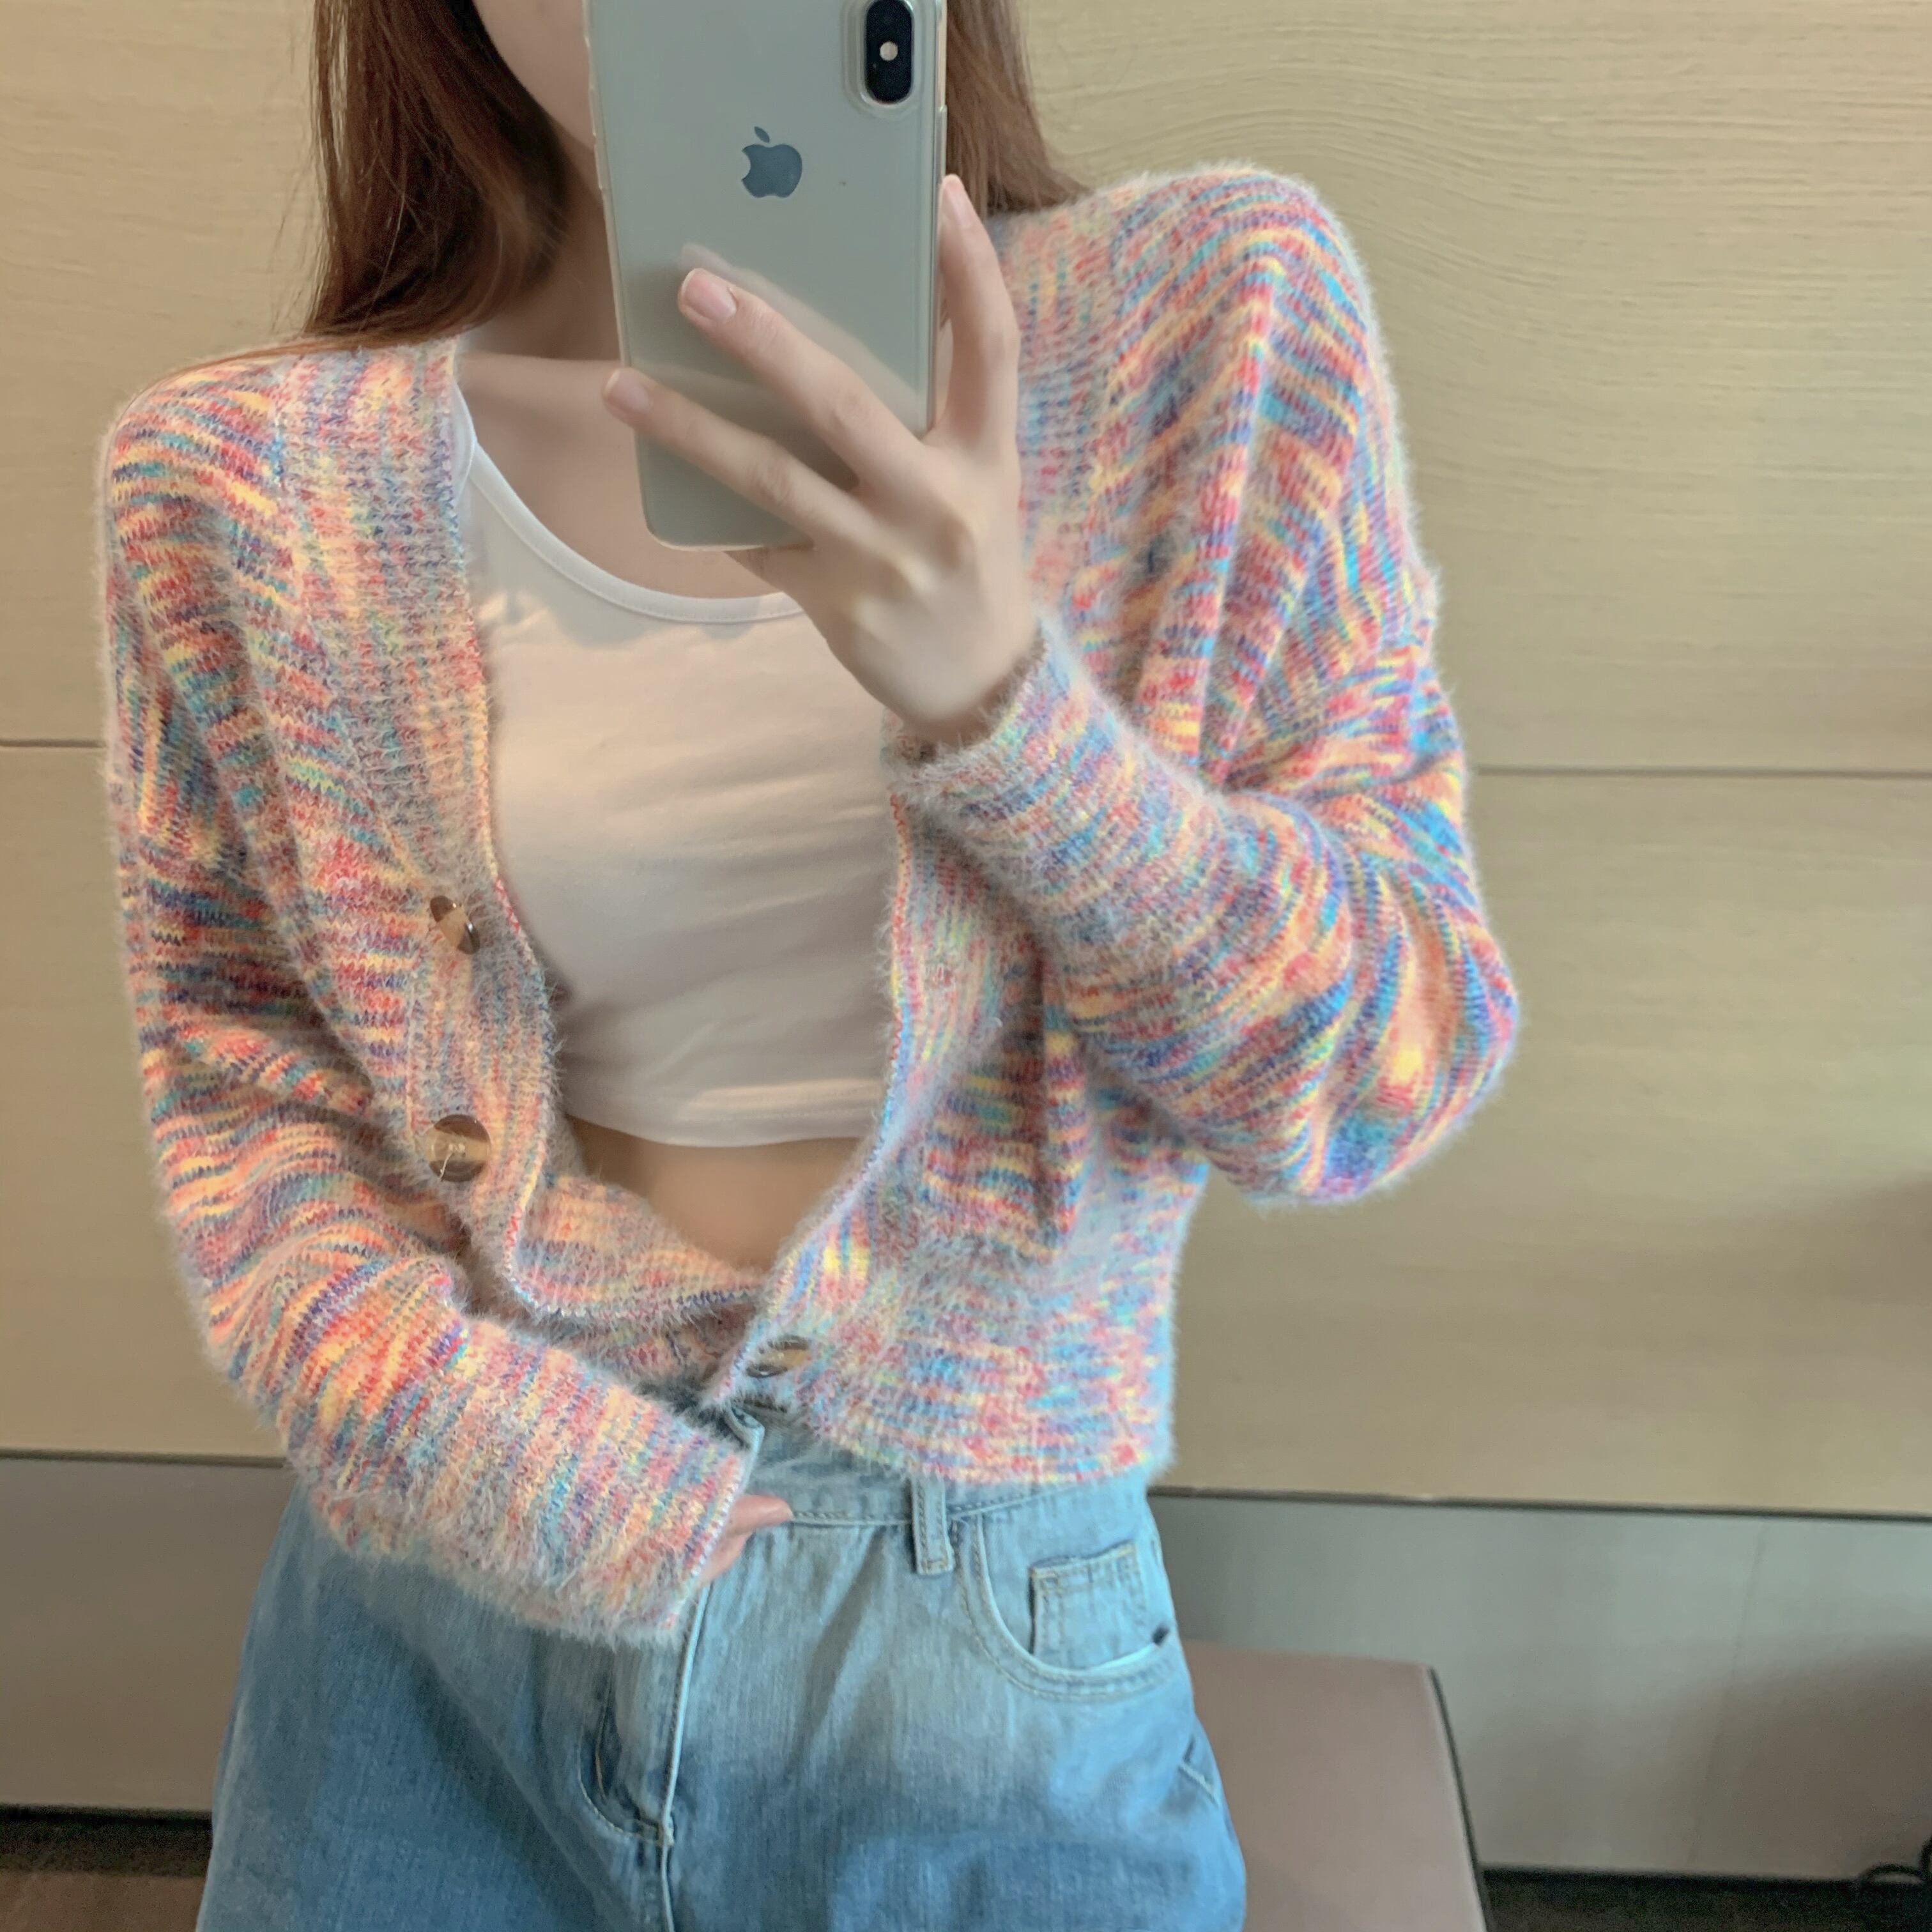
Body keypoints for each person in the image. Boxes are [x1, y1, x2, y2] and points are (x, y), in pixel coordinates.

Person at [96, 0, 1519, 1924]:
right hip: (428, 1632)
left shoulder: (1212, 326)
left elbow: (1376, 1069)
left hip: (976, 1653)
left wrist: (1008, 709)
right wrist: (489, 1456)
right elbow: (249, 1093)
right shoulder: (236, 484)